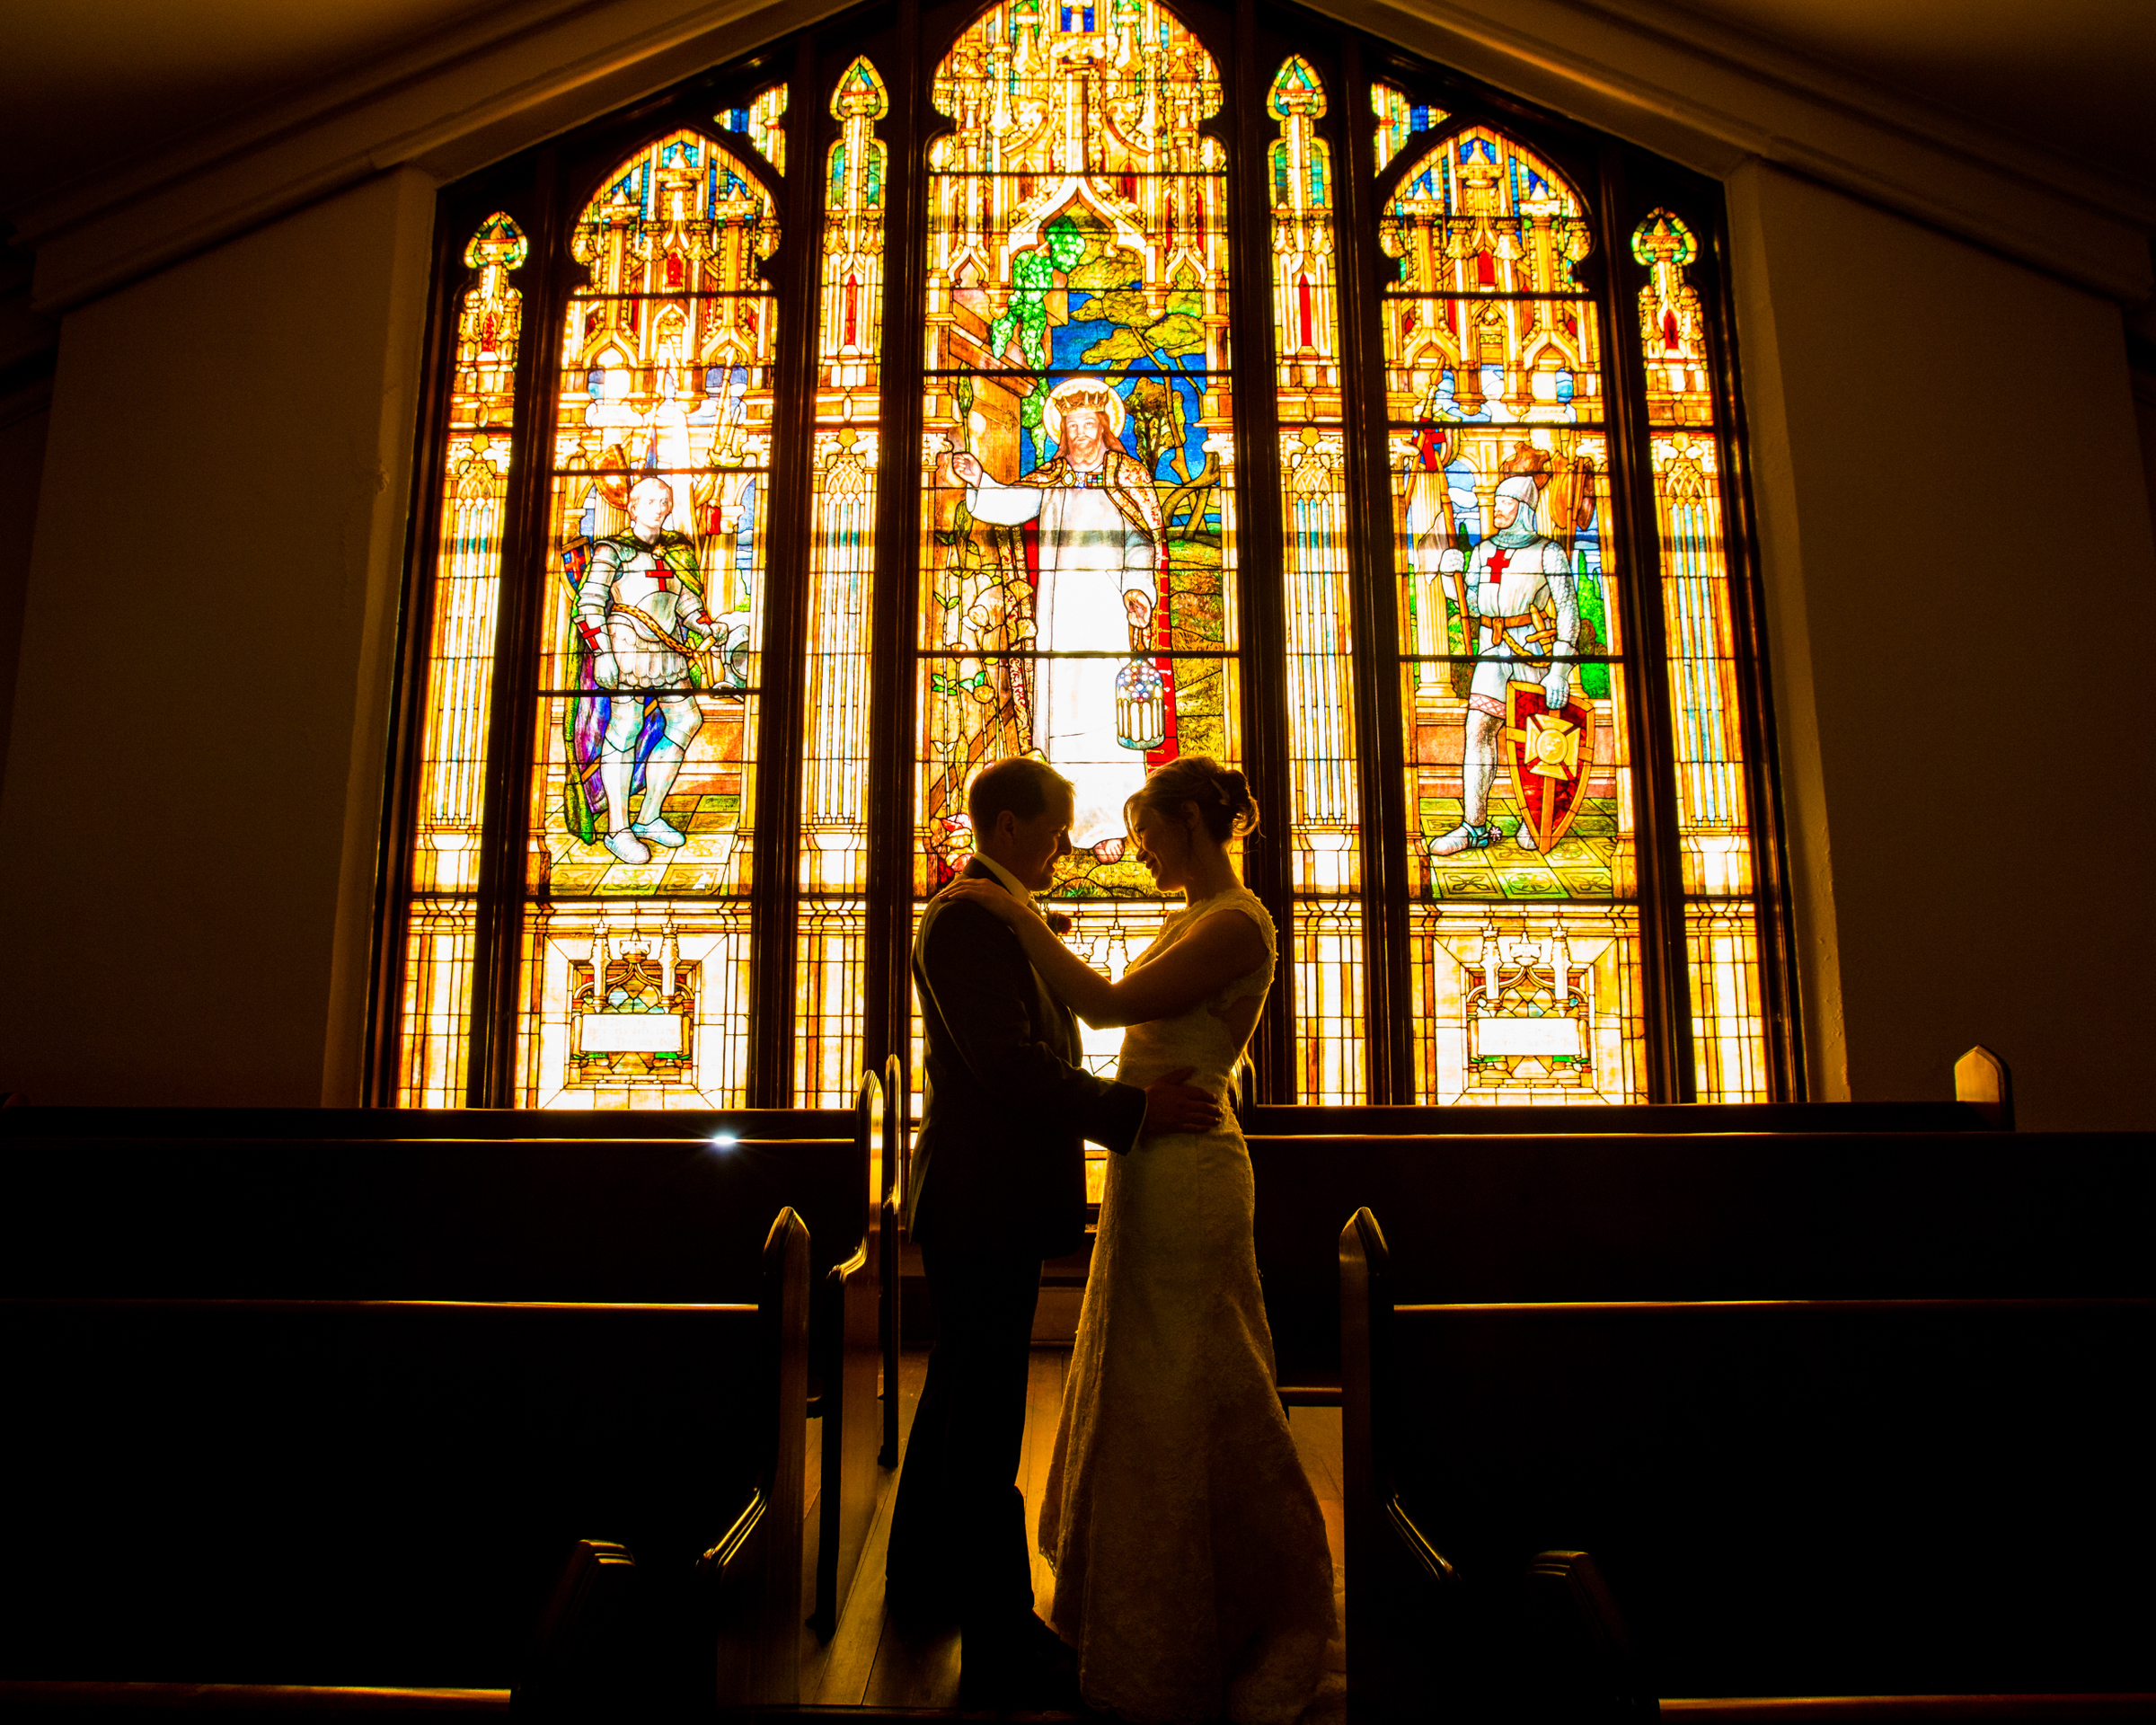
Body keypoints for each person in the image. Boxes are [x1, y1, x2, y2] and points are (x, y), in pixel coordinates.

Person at [937, 756, 1337, 1725]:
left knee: (1192, 1368)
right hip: (1153, 1158)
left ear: (1193, 824)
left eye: (1148, 829)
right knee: (1144, 1369)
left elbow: (1108, 1007)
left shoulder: (1237, 922)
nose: (1138, 847)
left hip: (1192, 1163)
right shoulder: (1196, 917)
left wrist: (1016, 914)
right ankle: (1141, 1589)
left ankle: (1226, 1590)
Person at [888, 756, 1222, 1709]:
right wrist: (1131, 1110)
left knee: (959, 1393)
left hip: (988, 1194)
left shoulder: (996, 916)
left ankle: (923, 1577)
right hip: (979, 1196)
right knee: (986, 1419)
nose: (1063, 845)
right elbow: (1010, 1068)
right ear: (1003, 826)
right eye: (1051, 827)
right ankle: (998, 1633)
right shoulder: (963, 921)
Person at [948, 380, 1162, 858]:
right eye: (1072, 426)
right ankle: (1062, 824)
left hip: (1107, 611)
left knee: (1106, 715)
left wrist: (1138, 590)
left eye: (1089, 424)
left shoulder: (1127, 479)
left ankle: (1109, 824)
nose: (1081, 433)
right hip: (1059, 611)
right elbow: (1007, 503)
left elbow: (1142, 541)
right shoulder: (1050, 481)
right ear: (1062, 433)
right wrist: (977, 477)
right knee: (1061, 709)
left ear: (1105, 429)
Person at [1428, 471, 1579, 855]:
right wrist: (1451, 578)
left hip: (1533, 651)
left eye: (1505, 502)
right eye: (1495, 502)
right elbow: (1474, 605)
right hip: (1492, 653)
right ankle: (1473, 826)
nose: (1497, 509)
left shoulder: (1549, 552)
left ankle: (1540, 818)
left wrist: (1560, 670)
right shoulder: (1482, 551)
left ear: (1524, 508)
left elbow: (1568, 614)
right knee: (1478, 731)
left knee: (1539, 740)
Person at [571, 473, 717, 864]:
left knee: (686, 720)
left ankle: (649, 816)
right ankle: (618, 829)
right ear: (632, 507)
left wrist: (706, 625)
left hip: (668, 653)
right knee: (626, 727)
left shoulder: (672, 553)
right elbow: (588, 604)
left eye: (665, 500)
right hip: (626, 648)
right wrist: (601, 651)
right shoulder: (611, 551)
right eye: (651, 501)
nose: (660, 507)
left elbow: (685, 600)